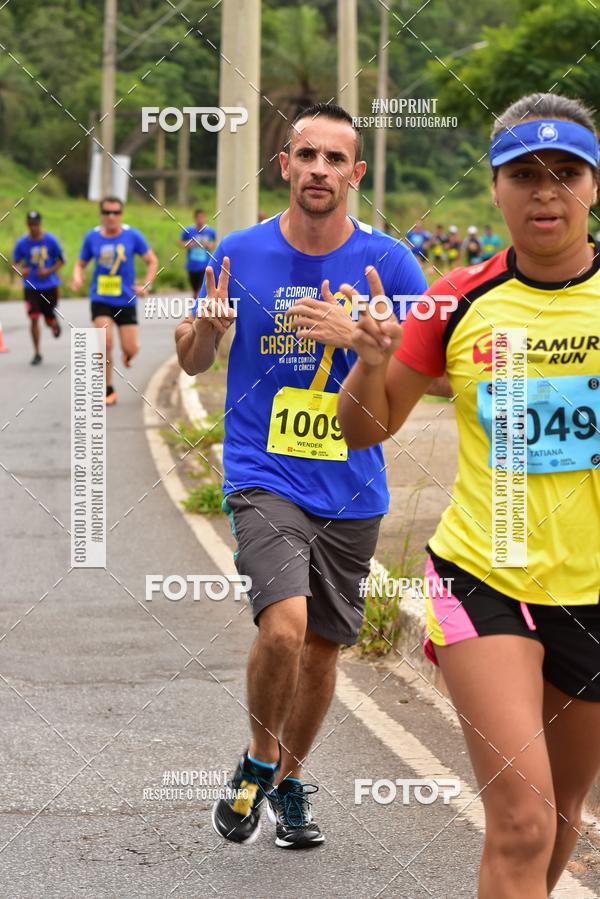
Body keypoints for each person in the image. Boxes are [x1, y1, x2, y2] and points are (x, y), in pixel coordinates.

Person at [338, 92, 600, 898]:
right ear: (494, 187)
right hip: (479, 579)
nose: (545, 191)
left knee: (560, 820)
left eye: (566, 172)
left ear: (594, 184)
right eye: (524, 173)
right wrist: (371, 362)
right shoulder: (457, 299)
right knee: (520, 822)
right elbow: (362, 430)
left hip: (590, 592)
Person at [175, 102, 428, 849]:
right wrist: (207, 331)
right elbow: (193, 357)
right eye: (305, 155)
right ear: (284, 165)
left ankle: (287, 782)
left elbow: (428, 374)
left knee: (322, 648)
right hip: (263, 472)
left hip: (353, 482)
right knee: (283, 629)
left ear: (355, 172)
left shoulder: (391, 265)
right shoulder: (240, 254)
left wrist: (368, 344)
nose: (319, 169)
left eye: (334, 159)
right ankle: (259, 758)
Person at [73, 197, 158, 405]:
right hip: (100, 298)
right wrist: (77, 275)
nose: (111, 216)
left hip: (126, 300)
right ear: (101, 214)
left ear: (121, 214)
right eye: (107, 212)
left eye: (115, 212)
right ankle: (108, 388)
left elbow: (151, 261)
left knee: (131, 348)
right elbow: (80, 263)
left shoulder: (132, 236)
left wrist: (146, 285)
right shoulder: (92, 237)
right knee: (105, 341)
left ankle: (128, 355)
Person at [12, 211, 64, 365]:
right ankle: (37, 352)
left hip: (49, 286)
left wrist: (48, 271)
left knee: (47, 320)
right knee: (34, 318)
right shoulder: (22, 243)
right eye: (30, 224)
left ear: (40, 224)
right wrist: (21, 271)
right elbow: (14, 264)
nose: (33, 227)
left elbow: (61, 260)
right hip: (31, 286)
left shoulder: (50, 240)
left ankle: (53, 322)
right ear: (27, 225)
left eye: (36, 224)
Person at [178, 208, 216, 299]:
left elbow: (214, 242)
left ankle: (199, 305)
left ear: (205, 218)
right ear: (195, 218)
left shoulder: (210, 231)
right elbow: (180, 242)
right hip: (192, 264)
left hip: (204, 264)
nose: (200, 220)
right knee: (195, 288)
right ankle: (196, 300)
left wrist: (210, 245)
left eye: (202, 217)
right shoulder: (188, 231)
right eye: (198, 217)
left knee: (201, 288)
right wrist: (188, 244)